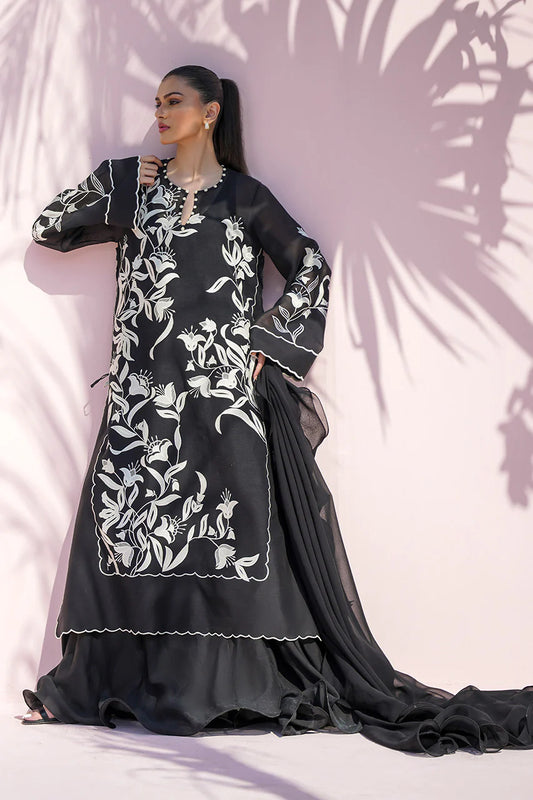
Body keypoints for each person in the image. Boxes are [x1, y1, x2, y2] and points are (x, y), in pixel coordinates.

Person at [21, 65, 533, 757]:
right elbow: (49, 227)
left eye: (175, 101)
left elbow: (310, 265)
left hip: (220, 399)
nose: (160, 113)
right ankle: (105, 684)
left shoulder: (244, 197)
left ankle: (234, 689)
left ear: (210, 113)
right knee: (127, 532)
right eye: (157, 102)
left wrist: (267, 340)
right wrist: (112, 182)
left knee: (226, 535)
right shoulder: (134, 189)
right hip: (143, 400)